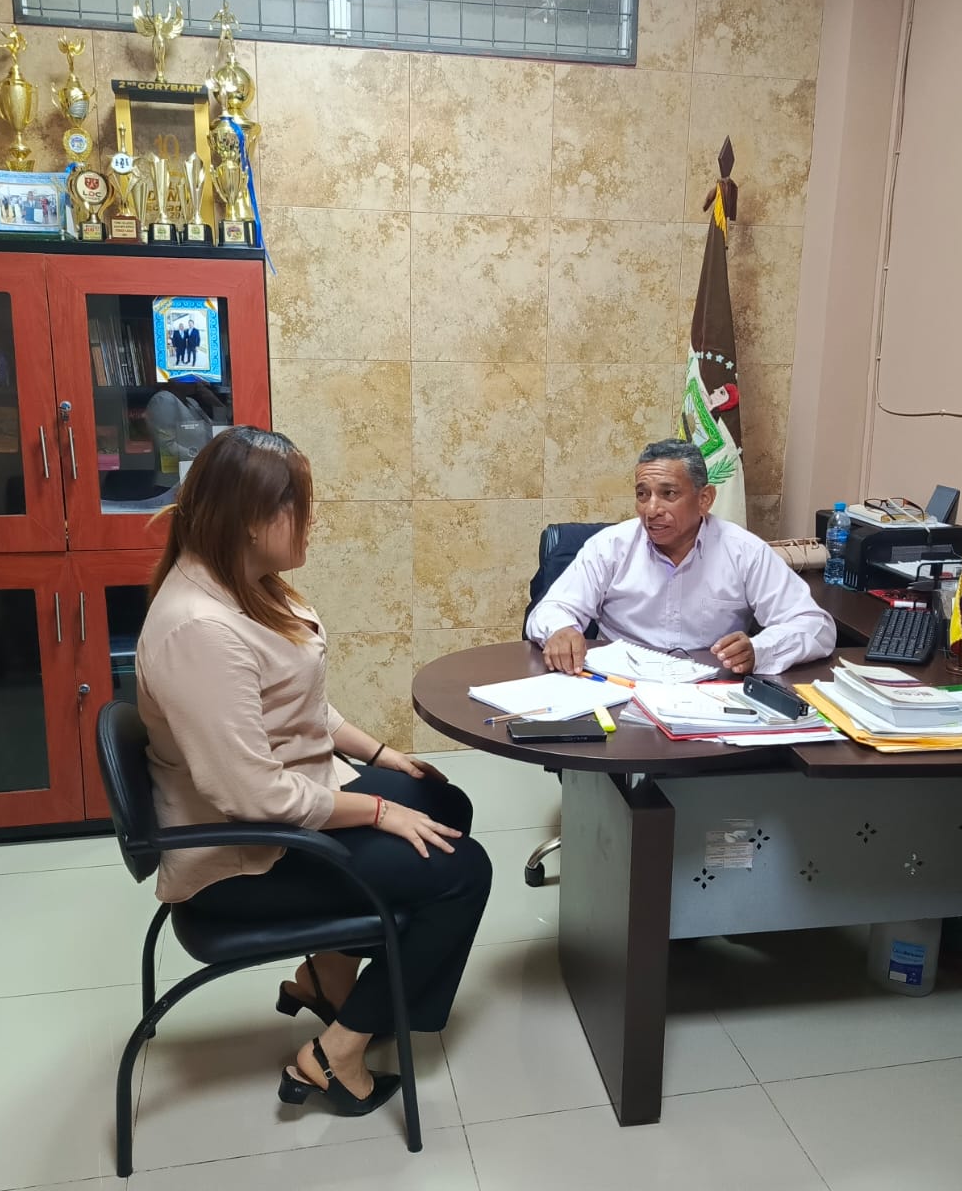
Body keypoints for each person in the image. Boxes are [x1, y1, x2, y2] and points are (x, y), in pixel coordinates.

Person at [135, 427, 492, 1119]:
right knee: (462, 872)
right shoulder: (198, 630)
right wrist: (381, 811)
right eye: (299, 505)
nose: (313, 519)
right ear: (249, 519)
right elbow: (254, 795)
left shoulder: (244, 585)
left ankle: (331, 975)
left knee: (444, 803)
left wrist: (382, 759)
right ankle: (336, 1052)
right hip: (240, 860)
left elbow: (300, 706)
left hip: (284, 813)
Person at [525, 438, 836, 676]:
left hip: (708, 690)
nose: (651, 509)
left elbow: (815, 625)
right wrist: (561, 630)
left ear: (705, 499)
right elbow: (552, 609)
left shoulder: (744, 551)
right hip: (619, 685)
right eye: (642, 494)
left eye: (668, 494)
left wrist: (759, 649)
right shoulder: (610, 546)